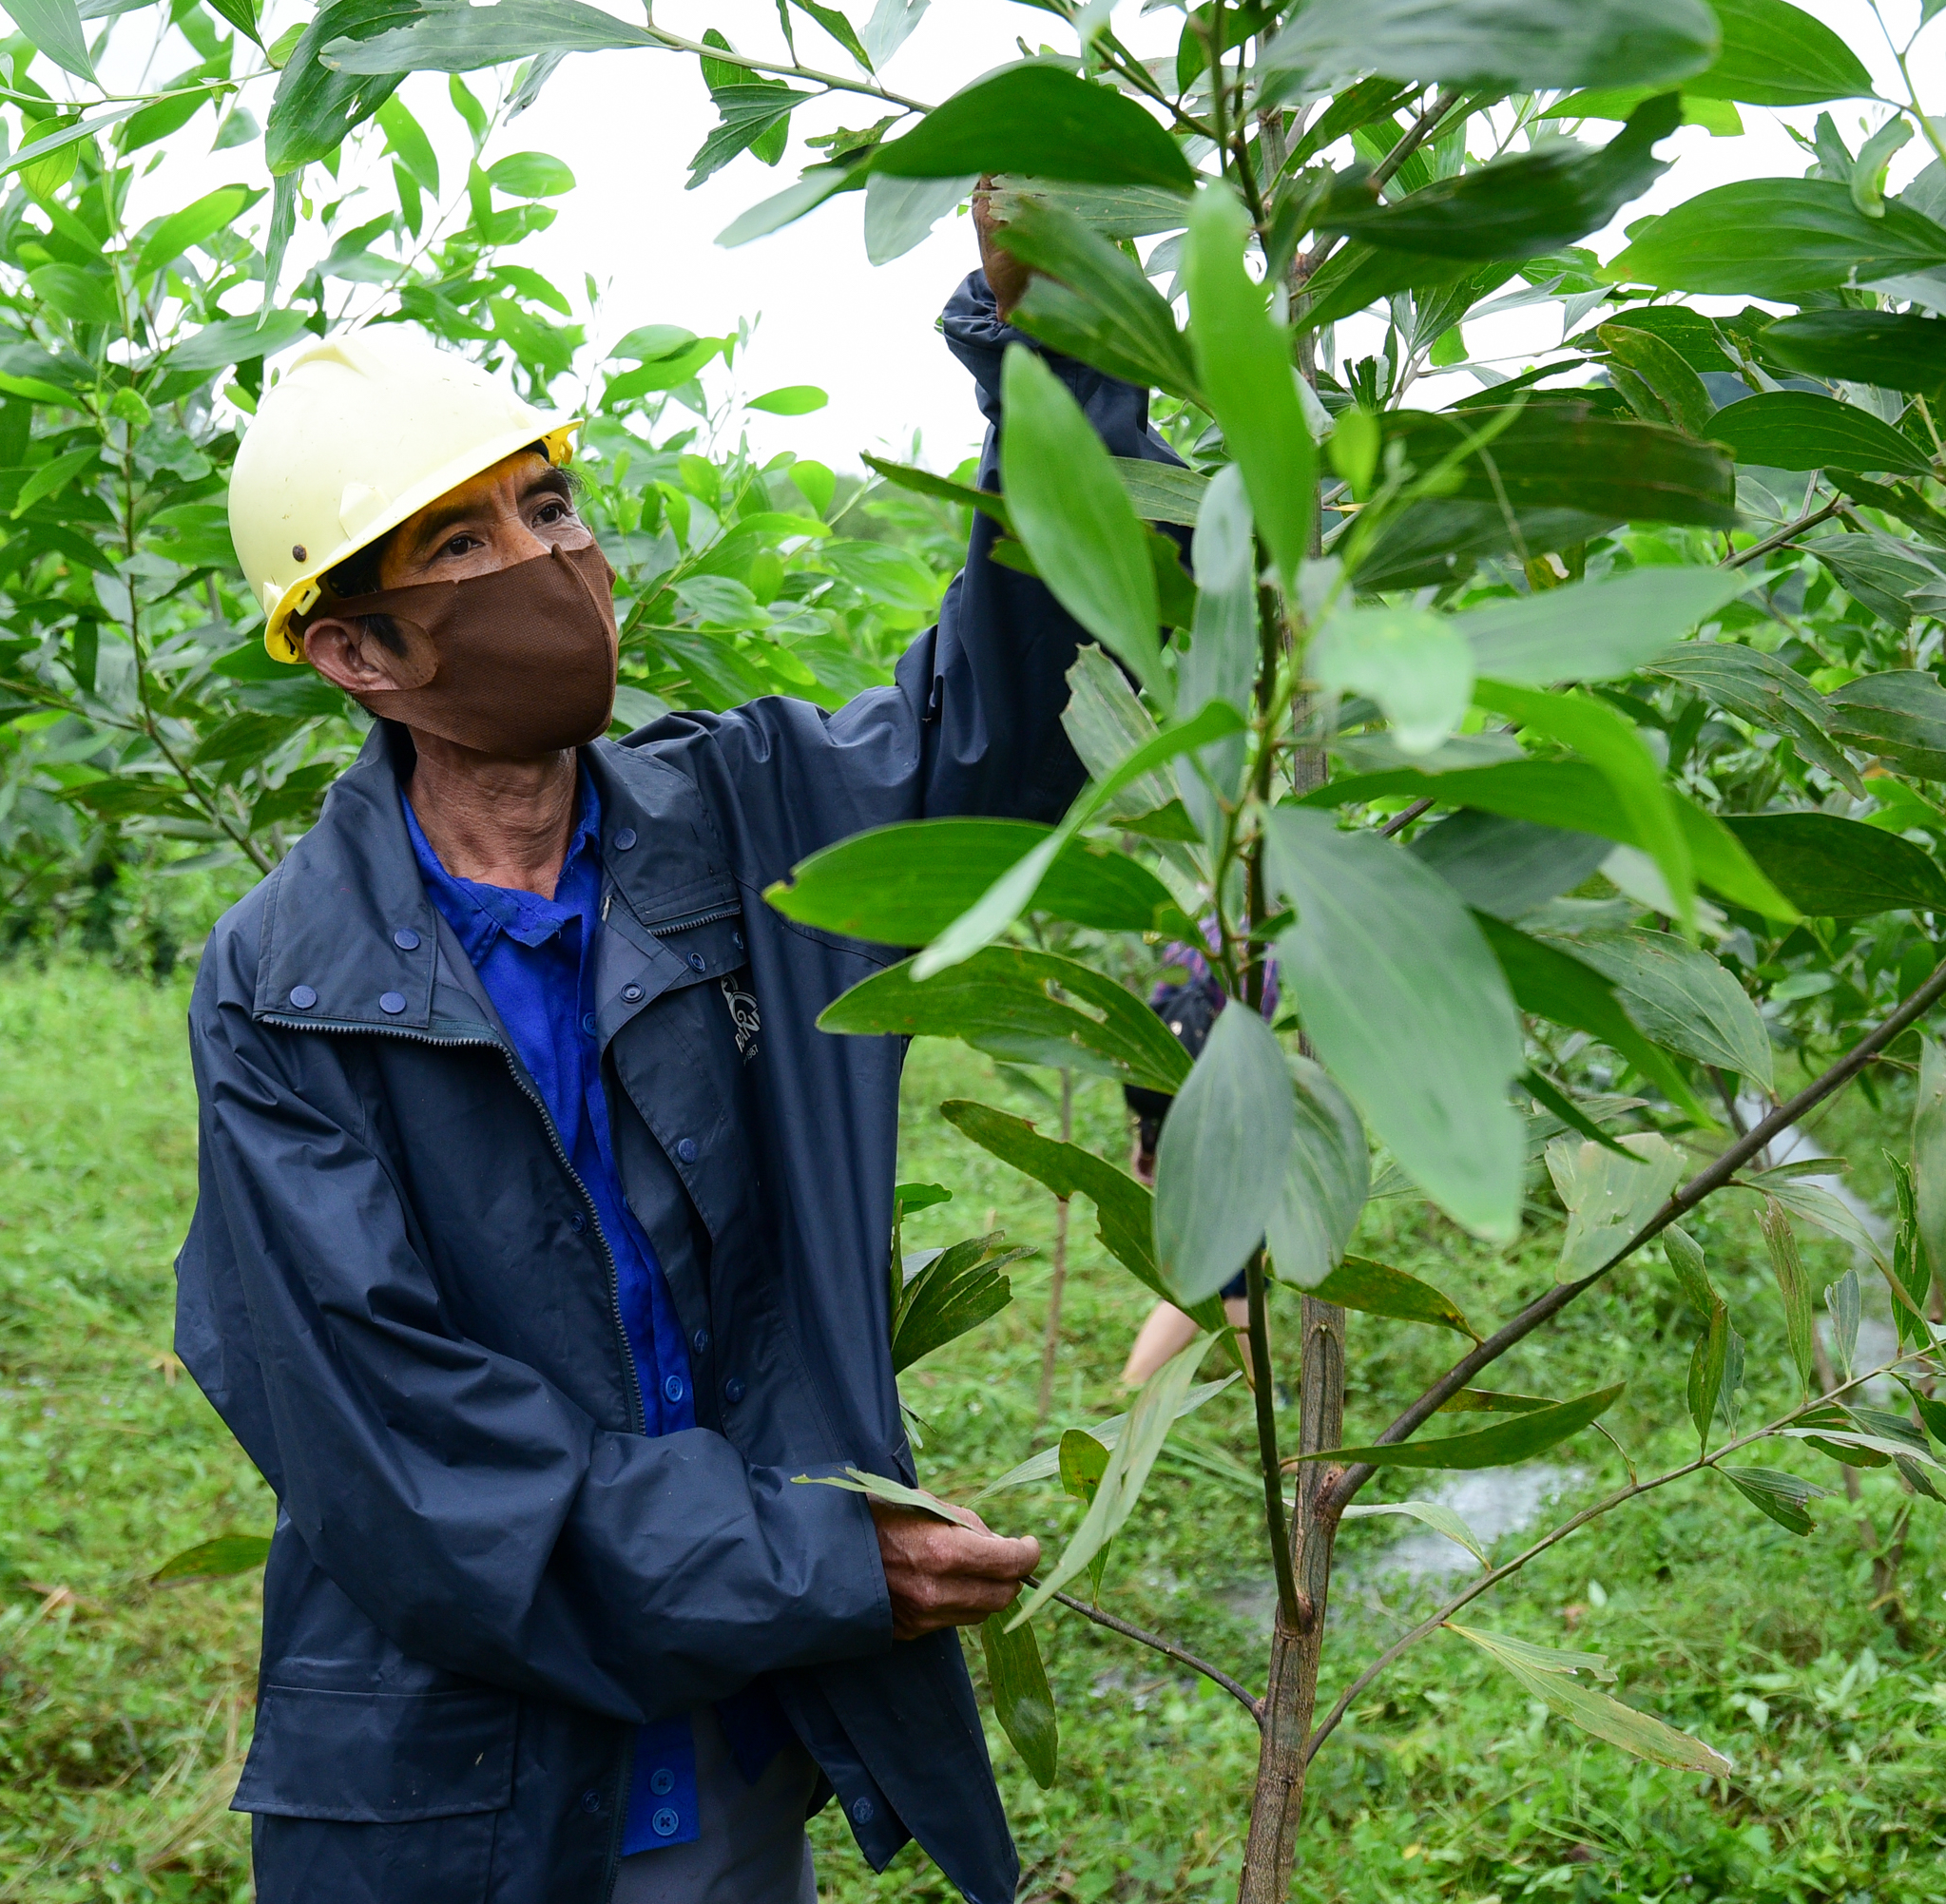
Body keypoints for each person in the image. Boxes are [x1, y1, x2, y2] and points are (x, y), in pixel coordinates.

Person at [171, 207, 1175, 1904]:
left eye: (547, 505)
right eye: (462, 547)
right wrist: (816, 1560)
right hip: (440, 1782)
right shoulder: (281, 985)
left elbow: (1014, 715)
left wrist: (1057, 354)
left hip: (718, 1742)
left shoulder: (750, 821)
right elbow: (402, 1451)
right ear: (351, 653)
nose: (547, 563)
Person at [1115, 947, 1263, 1387]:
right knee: (1220, 1268)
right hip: (1229, 1127)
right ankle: (1135, 1384)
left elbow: (1156, 1048)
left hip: (1186, 1126)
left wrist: (1149, 1141)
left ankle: (1265, 1387)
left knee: (1231, 1264)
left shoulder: (1184, 941)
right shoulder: (1259, 951)